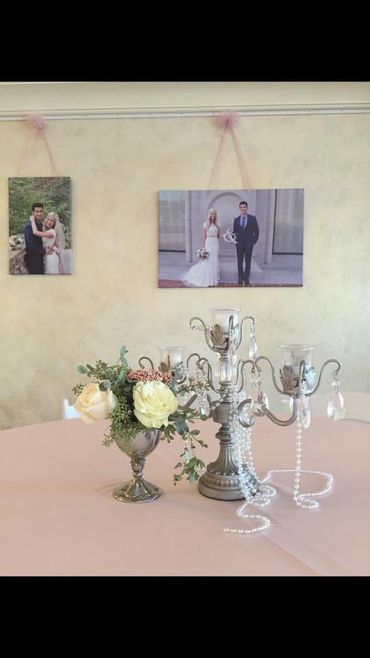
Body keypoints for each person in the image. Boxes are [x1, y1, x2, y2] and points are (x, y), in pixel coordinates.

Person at [182, 208, 220, 287]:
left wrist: (226, 236)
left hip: (215, 244)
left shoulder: (218, 225)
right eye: (211, 213)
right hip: (208, 243)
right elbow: (204, 236)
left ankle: (213, 279)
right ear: (209, 215)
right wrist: (203, 247)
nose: (213, 215)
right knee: (207, 260)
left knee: (214, 260)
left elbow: (218, 235)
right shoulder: (206, 224)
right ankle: (206, 279)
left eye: (214, 214)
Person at [232, 200, 259, 285]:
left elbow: (257, 231)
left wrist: (253, 241)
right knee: (239, 261)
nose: (243, 209)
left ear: (247, 208)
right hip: (239, 244)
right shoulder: (236, 220)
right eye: (241, 207)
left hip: (249, 244)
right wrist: (234, 240)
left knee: (248, 261)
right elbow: (234, 232)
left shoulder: (252, 218)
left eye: (244, 207)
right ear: (239, 209)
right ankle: (240, 278)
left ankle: (246, 278)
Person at [24, 202, 45, 274]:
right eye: (37, 211)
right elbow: (30, 246)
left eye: (41, 211)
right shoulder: (29, 226)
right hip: (34, 262)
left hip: (40, 261)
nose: (39, 213)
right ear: (32, 212)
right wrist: (44, 251)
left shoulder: (40, 224)